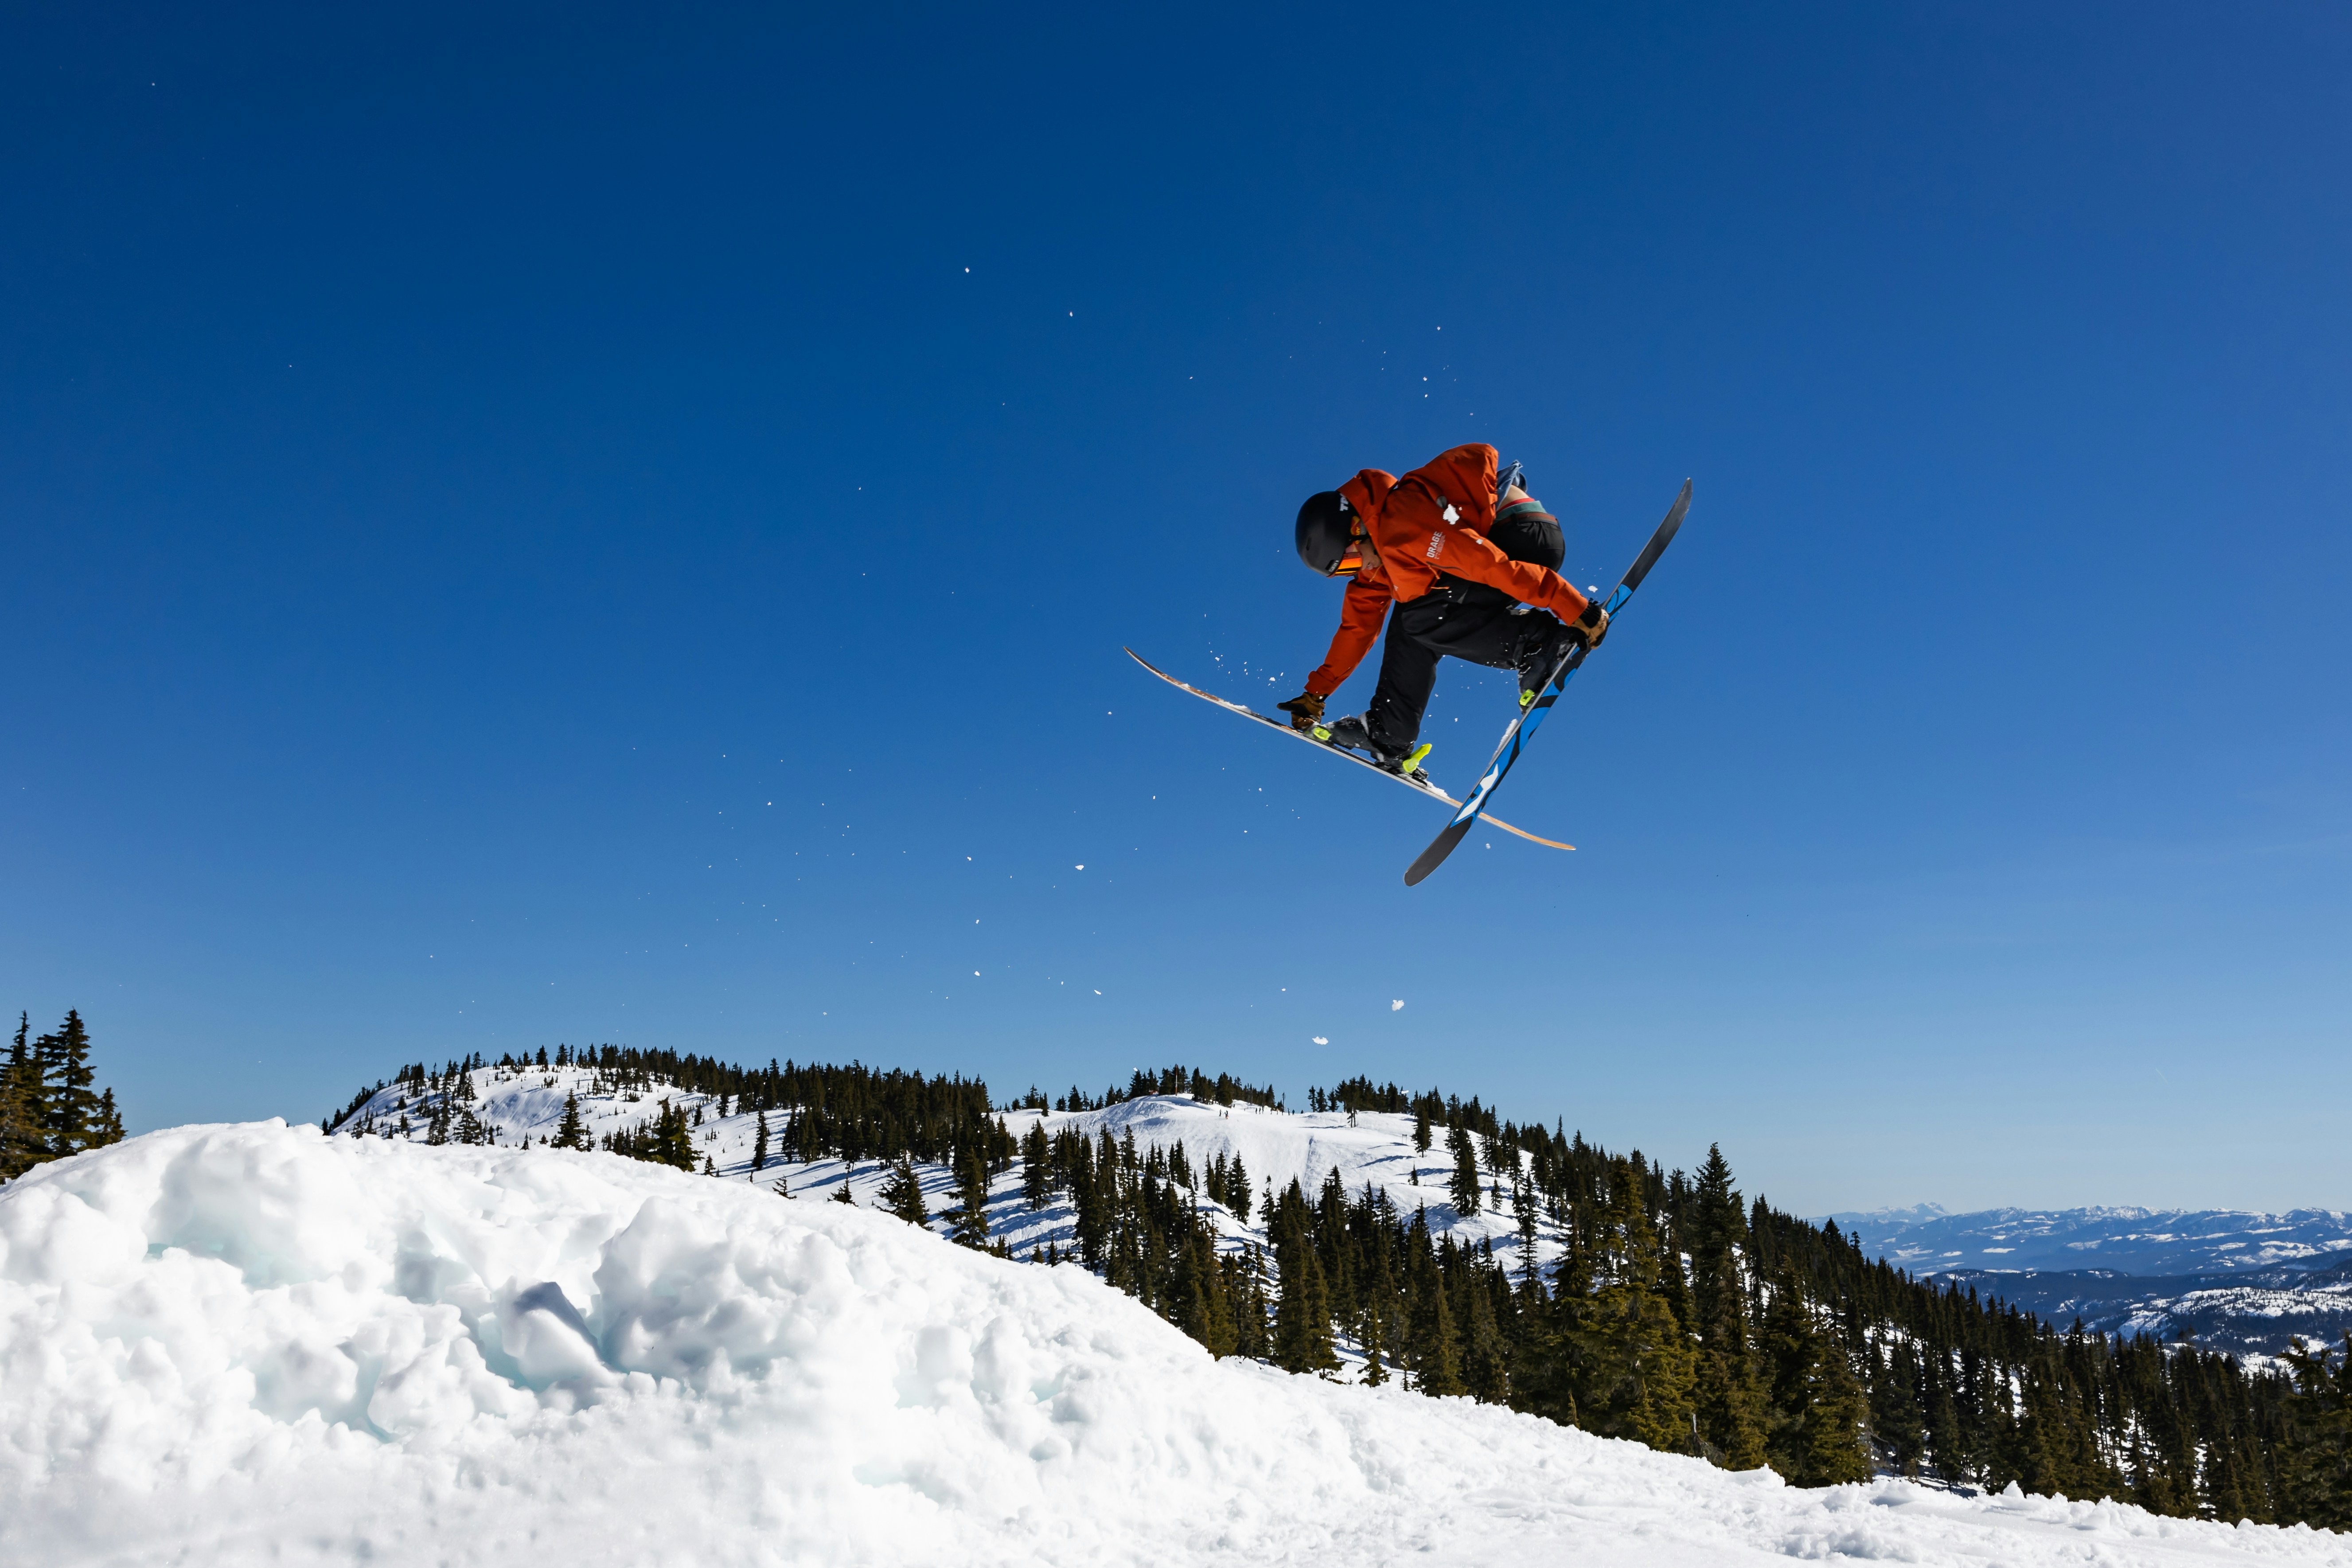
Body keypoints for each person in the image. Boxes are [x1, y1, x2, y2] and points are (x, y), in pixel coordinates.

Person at [1275, 442, 1607, 782]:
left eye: (1348, 561)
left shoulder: (1402, 520)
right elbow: (1356, 631)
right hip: (1511, 545)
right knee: (1414, 619)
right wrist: (1316, 693)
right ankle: (1388, 734)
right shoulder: (1378, 562)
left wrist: (1572, 606)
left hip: (1520, 536)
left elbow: (1484, 563)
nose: (1356, 570)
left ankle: (1538, 644)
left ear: (1357, 528)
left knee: (1417, 618)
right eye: (1344, 572)